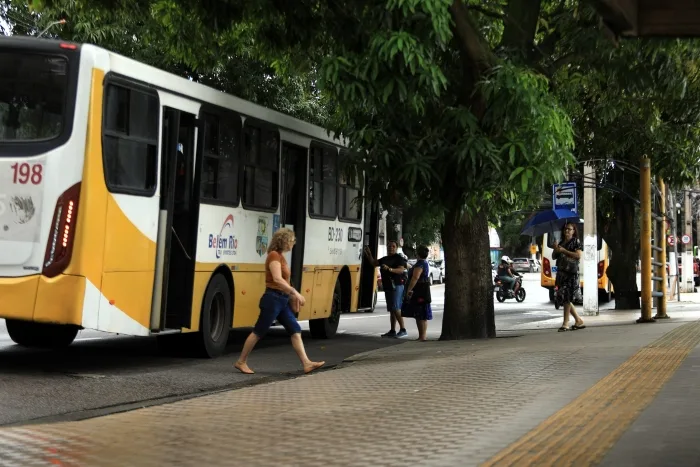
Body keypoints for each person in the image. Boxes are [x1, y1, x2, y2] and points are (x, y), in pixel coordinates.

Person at [234, 228, 325, 374]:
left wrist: (291, 296)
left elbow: (286, 280)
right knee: (259, 331)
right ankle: (241, 361)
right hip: (272, 299)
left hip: (282, 300)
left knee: (295, 329)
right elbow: (277, 279)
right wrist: (295, 292)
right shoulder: (273, 256)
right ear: (284, 241)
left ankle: (306, 363)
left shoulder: (281, 257)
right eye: (291, 240)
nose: (293, 243)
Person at [364, 241, 408, 338]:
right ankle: (392, 330)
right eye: (389, 246)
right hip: (388, 286)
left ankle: (403, 329)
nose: (391, 248)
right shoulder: (385, 259)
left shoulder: (399, 258)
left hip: (397, 285)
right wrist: (369, 253)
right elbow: (374, 263)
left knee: (396, 308)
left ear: (396, 248)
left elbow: (401, 269)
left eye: (393, 246)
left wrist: (390, 269)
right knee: (392, 309)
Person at [553, 223, 586, 332]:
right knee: (563, 298)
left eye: (569, 229)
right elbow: (554, 256)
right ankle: (578, 320)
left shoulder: (575, 241)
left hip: (570, 273)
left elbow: (578, 255)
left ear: (573, 231)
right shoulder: (562, 242)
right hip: (561, 273)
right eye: (565, 229)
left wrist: (564, 251)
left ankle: (565, 323)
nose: (566, 231)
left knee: (566, 297)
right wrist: (556, 248)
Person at [403, 245, 433, 341]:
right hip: (423, 290)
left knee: (420, 314)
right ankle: (422, 336)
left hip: (419, 291)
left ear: (417, 253)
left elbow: (415, 277)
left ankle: (422, 336)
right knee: (422, 314)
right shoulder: (424, 263)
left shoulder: (420, 264)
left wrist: (409, 290)